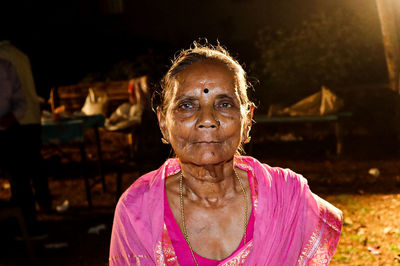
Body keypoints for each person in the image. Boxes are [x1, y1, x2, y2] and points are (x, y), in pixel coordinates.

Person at [109, 43, 343, 265]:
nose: (208, 119)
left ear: (248, 120)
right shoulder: (137, 211)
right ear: (163, 123)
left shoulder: (287, 197)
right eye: (187, 106)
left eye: (224, 104)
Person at [0, 39, 52, 211]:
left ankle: (26, 213)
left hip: (16, 121)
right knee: (35, 165)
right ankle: (44, 203)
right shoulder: (20, 54)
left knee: (20, 173)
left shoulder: (3, 58)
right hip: (32, 116)